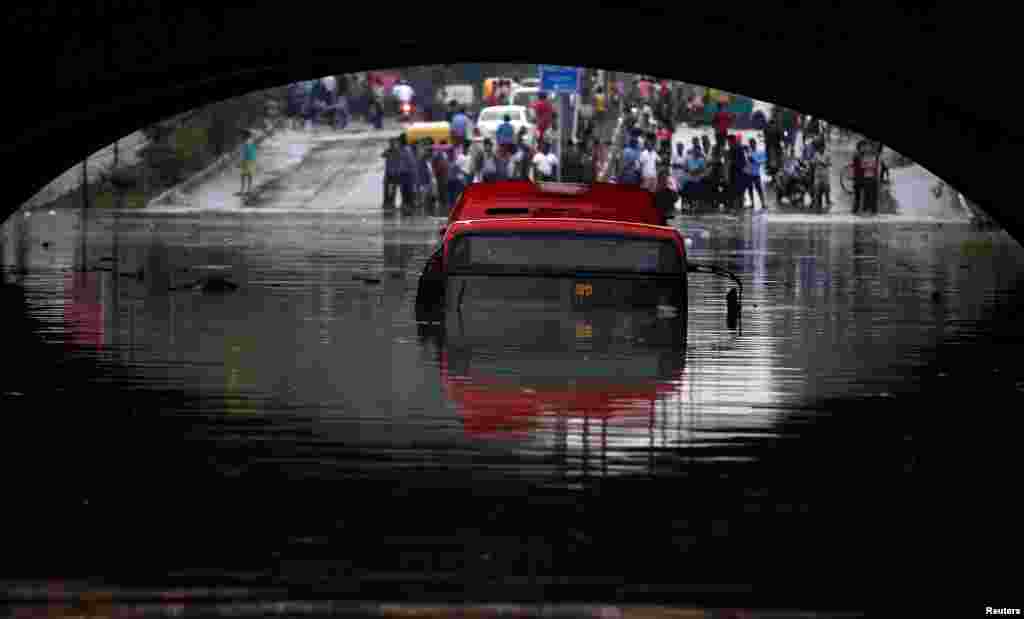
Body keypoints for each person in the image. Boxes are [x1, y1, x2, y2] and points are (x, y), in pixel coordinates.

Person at [745, 138, 767, 210]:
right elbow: (746, 162)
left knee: (759, 189)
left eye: (753, 143)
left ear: (755, 144)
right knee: (750, 189)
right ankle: (752, 203)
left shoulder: (759, 152)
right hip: (749, 174)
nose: (752, 145)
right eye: (750, 144)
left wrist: (754, 160)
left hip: (756, 174)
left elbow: (762, 161)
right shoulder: (748, 152)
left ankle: (763, 203)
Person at [811, 138, 832, 211]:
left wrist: (823, 163)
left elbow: (830, 163)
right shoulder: (816, 154)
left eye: (821, 147)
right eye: (819, 148)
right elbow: (813, 162)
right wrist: (813, 162)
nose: (820, 149)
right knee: (817, 190)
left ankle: (828, 201)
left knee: (826, 189)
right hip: (817, 175)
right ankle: (817, 205)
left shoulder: (827, 154)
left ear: (823, 147)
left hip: (825, 175)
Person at [381, 138, 401, 207]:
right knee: (387, 188)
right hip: (389, 172)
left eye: (393, 143)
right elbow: (383, 155)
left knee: (393, 189)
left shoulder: (398, 151)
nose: (392, 144)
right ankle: (386, 202)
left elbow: (383, 155)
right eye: (391, 143)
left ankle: (391, 202)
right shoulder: (388, 151)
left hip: (394, 172)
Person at [237, 130, 256, 196]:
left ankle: (243, 190)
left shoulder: (245, 144)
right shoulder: (251, 143)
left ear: (244, 136)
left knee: (243, 175)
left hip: (246, 161)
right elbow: (253, 152)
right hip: (251, 160)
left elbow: (244, 153)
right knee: (249, 175)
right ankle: (248, 190)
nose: (240, 137)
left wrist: (240, 162)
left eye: (241, 136)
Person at [852, 140, 866, 214]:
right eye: (863, 147)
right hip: (858, 178)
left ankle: (857, 211)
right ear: (859, 147)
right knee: (858, 196)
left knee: (860, 196)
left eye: (864, 146)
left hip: (862, 178)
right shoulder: (857, 155)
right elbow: (861, 165)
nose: (864, 148)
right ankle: (855, 211)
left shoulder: (862, 155)